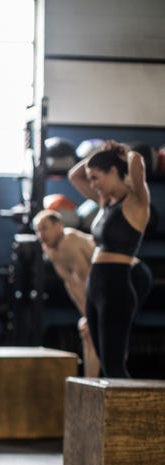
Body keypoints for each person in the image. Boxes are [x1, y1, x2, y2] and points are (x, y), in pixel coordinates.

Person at [68, 140, 153, 377]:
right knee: (105, 362)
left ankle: (131, 413)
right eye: (91, 178)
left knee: (114, 366)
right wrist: (99, 155)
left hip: (117, 287)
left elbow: (137, 162)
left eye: (96, 177)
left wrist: (121, 152)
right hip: (95, 286)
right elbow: (74, 175)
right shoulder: (105, 202)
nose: (93, 184)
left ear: (114, 171)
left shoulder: (137, 202)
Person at [32, 210, 100, 377]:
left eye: (45, 228)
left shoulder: (69, 241)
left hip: (121, 280)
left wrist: (91, 317)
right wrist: (85, 315)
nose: (41, 235)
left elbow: (88, 281)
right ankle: (90, 385)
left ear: (59, 226)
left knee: (101, 335)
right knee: (88, 334)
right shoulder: (49, 249)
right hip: (98, 291)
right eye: (37, 230)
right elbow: (70, 284)